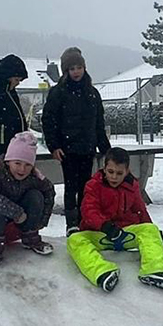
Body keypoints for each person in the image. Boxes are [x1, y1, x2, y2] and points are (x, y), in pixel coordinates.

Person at [67, 147, 163, 292]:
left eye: (119, 173)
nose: (114, 177)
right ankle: (102, 272)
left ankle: (153, 270)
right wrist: (105, 226)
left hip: (125, 234)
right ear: (104, 169)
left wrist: (156, 238)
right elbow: (88, 211)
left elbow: (140, 211)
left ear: (127, 171)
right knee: (74, 240)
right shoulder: (93, 185)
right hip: (101, 234)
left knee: (150, 229)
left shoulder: (132, 186)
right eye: (110, 172)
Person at [42, 47, 111, 232]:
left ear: (84, 67)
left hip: (87, 147)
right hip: (67, 149)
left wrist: (105, 148)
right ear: (66, 71)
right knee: (71, 186)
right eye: (72, 68)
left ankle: (85, 220)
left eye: (79, 67)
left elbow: (99, 121)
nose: (76, 72)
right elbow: (49, 120)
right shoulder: (58, 92)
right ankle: (71, 224)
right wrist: (54, 145)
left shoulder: (92, 93)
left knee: (86, 187)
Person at [0, 131, 55, 265]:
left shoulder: (33, 177)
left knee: (36, 196)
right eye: (17, 163)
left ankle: (29, 235)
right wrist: (17, 212)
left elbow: (49, 191)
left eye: (27, 165)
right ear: (8, 161)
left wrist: (42, 220)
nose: (22, 169)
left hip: (20, 218)